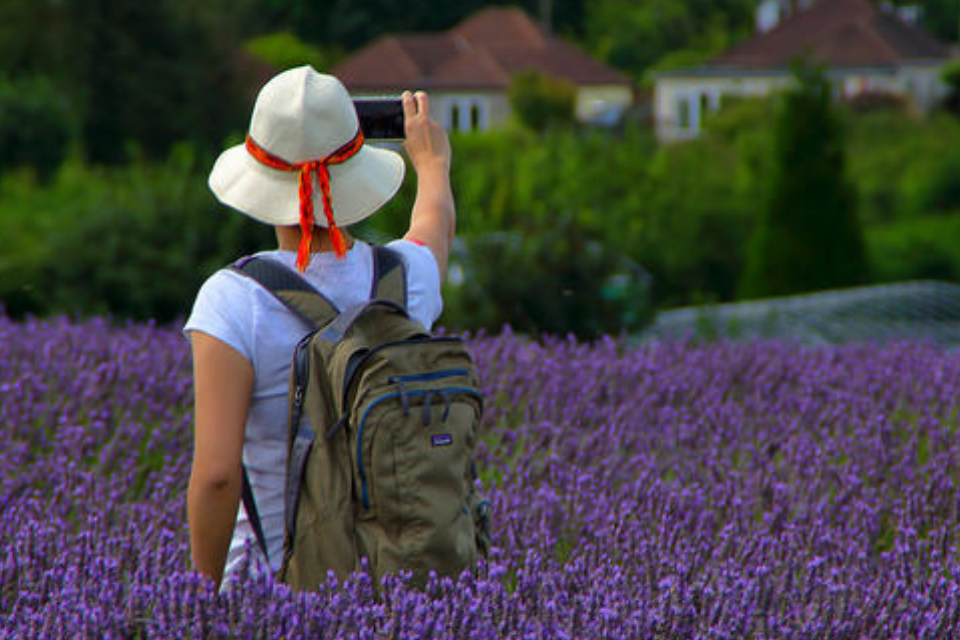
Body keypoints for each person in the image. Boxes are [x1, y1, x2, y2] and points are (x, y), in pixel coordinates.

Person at [183, 66, 455, 588]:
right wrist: (433, 164)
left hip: (271, 591)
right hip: (399, 592)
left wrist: (199, 600)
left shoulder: (233, 301)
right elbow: (433, 228)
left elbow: (218, 477)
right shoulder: (404, 280)